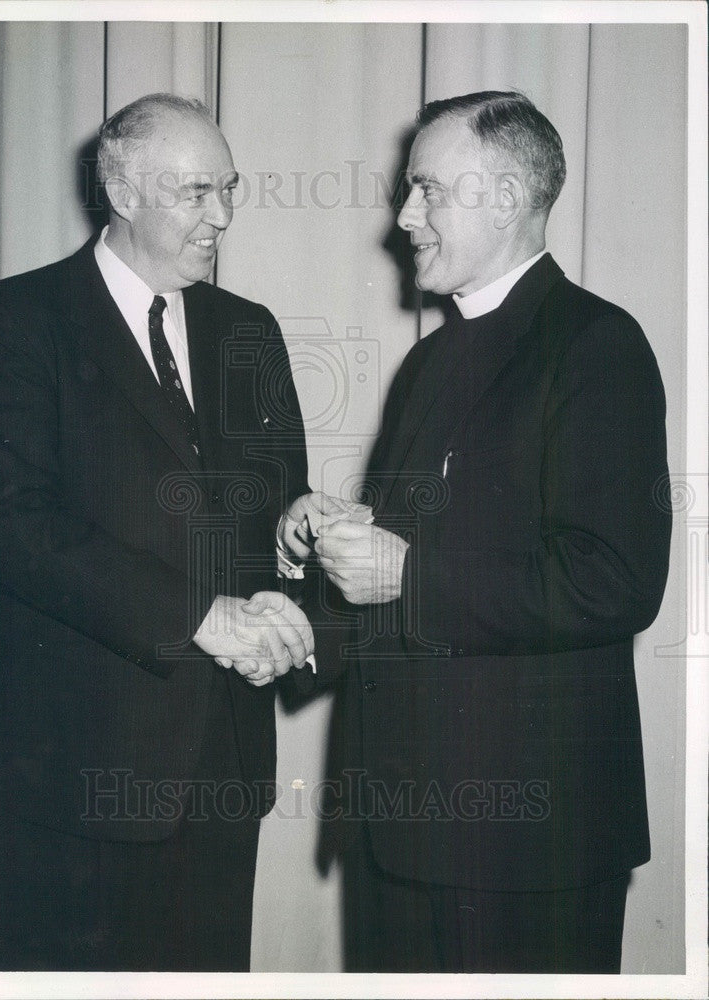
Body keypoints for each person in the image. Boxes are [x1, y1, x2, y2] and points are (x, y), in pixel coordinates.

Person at [281, 91, 672, 973]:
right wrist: (316, 598)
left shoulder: (597, 344)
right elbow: (411, 568)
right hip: (401, 834)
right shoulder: (429, 360)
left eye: (426, 190)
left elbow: (614, 579)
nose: (404, 216)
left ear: (505, 197)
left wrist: (405, 570)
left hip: (527, 850)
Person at [0, 93, 316, 971]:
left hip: (224, 769)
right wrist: (202, 617)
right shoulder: (14, 321)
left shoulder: (249, 332)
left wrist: (290, 578)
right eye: (195, 192)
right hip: (73, 776)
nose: (222, 216)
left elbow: (277, 515)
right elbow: (14, 527)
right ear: (121, 191)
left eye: (228, 189)